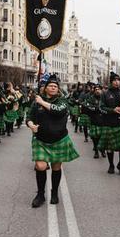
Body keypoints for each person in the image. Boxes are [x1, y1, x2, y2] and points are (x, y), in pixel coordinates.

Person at [26, 75, 79, 208]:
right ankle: (40, 194)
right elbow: (29, 117)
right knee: (40, 166)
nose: (53, 88)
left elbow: (58, 111)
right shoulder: (36, 101)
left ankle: (54, 192)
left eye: (55, 86)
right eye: (51, 86)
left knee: (56, 167)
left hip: (59, 138)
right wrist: (31, 125)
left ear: (58, 89)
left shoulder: (62, 101)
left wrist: (42, 102)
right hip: (41, 139)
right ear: (45, 88)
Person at [98, 73, 120, 175]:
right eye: (115, 80)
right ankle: (111, 165)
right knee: (110, 148)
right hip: (109, 123)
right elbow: (101, 108)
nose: (117, 82)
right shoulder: (105, 93)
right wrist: (112, 110)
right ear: (111, 81)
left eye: (118, 80)